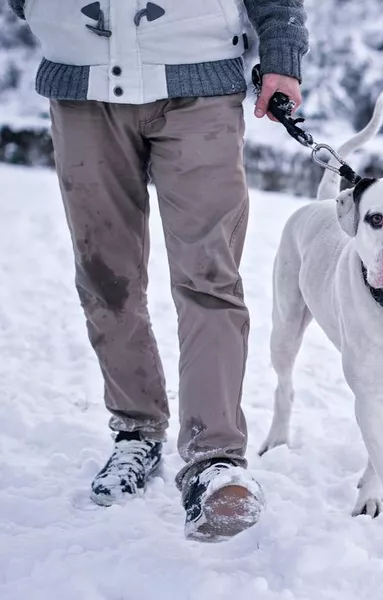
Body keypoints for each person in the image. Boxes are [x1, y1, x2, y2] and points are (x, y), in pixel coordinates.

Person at [6, 0, 308, 541]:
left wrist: (282, 54)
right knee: (106, 277)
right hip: (82, 86)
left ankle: (214, 459)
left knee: (209, 277)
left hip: (200, 85)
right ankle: (137, 433)